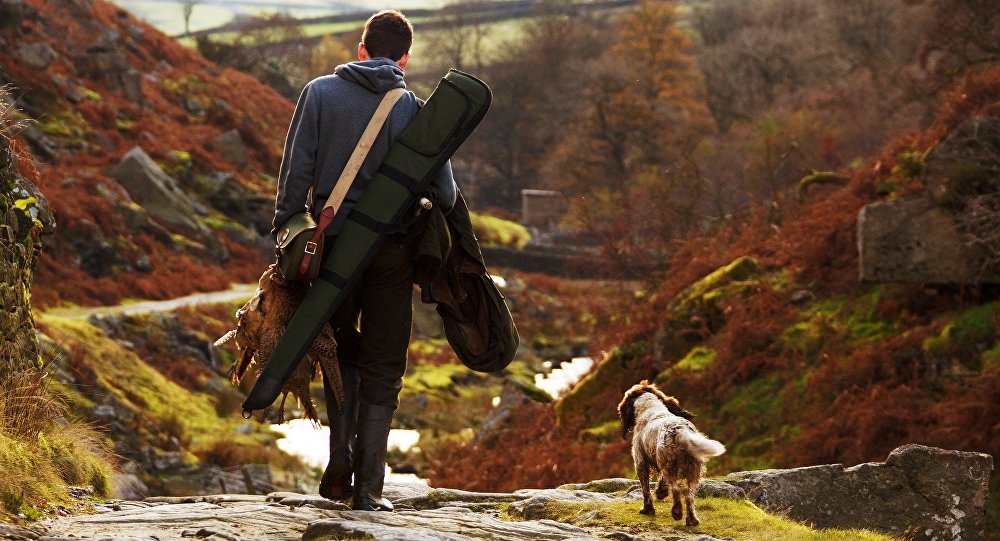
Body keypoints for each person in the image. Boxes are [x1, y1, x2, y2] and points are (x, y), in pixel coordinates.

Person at [271, 10, 457, 511]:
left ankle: (337, 466)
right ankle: (370, 490)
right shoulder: (414, 109)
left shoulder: (317, 93)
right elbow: (444, 190)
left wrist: (290, 236)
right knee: (383, 363)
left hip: (331, 250)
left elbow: (294, 176)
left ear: (360, 50)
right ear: (404, 59)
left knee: (339, 356)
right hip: (391, 253)